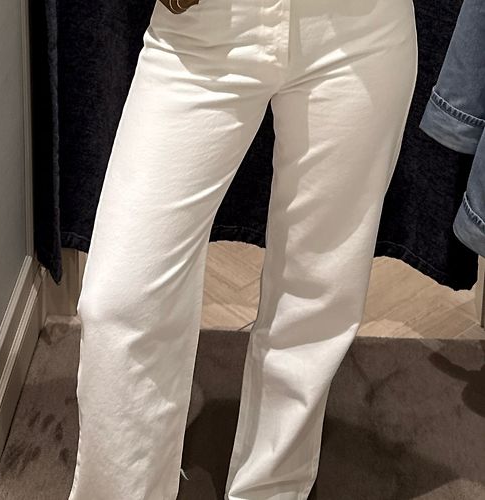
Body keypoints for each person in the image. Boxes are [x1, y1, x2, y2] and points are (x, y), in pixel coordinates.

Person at [67, 0, 418, 498]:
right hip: (204, 29)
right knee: (120, 303)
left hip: (359, 32)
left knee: (316, 296)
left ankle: (271, 489)